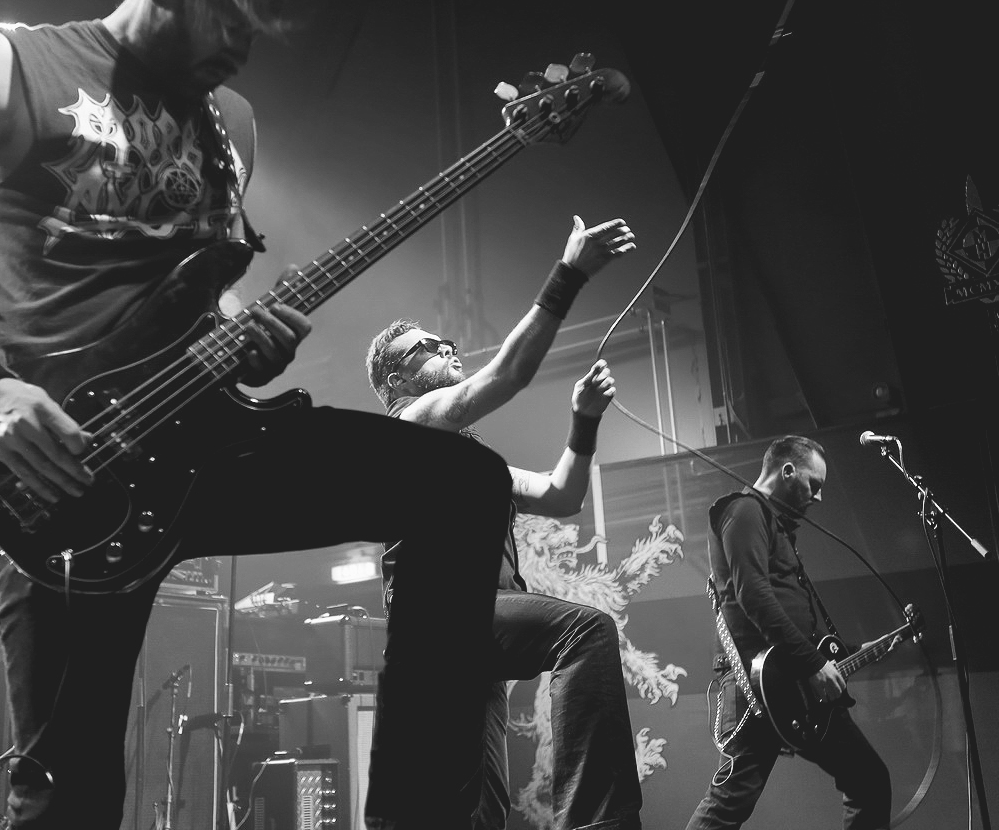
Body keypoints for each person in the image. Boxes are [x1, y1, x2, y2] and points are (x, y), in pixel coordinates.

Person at [0, 0, 563, 830]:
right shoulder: (13, 65)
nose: (241, 53)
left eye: (257, 36)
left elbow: (196, 291)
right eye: (230, 26)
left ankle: (415, 815)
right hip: (63, 465)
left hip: (199, 445)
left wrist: (243, 343)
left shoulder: (233, 125)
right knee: (69, 798)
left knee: (460, 482)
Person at [365, 215, 641, 830]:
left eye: (447, 342)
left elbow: (561, 495)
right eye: (427, 347)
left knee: (480, 814)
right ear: (395, 377)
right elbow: (507, 375)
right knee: (587, 631)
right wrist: (568, 274)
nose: (447, 348)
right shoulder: (408, 424)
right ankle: (598, 822)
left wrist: (584, 422)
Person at [685, 436, 891, 829]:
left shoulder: (774, 525)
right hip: (756, 682)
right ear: (788, 471)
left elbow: (791, 617)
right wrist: (813, 664)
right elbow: (753, 595)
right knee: (731, 800)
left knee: (868, 779)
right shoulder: (744, 510)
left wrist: (849, 651)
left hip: (791, 680)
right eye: (814, 484)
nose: (818, 497)